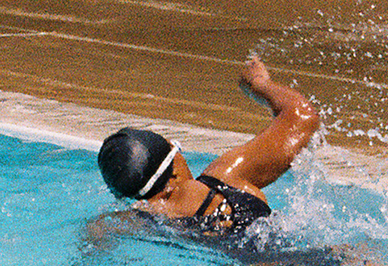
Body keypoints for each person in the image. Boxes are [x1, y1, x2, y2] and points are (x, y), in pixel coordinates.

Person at [96, 55, 319, 245]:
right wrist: (258, 84)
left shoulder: (141, 218)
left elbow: (98, 231)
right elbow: (302, 116)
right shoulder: (224, 178)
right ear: (172, 167)